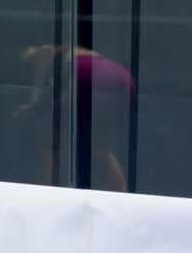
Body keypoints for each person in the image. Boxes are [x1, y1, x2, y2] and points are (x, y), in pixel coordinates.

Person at [14, 44, 136, 192]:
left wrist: (32, 104)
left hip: (90, 75)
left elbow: (39, 90)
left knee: (46, 141)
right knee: (99, 150)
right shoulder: (74, 56)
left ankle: (46, 193)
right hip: (124, 80)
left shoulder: (44, 52)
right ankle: (122, 194)